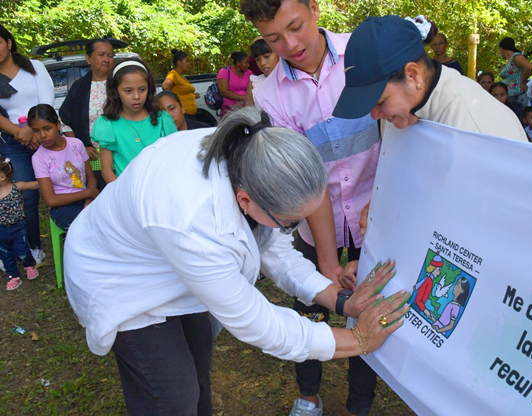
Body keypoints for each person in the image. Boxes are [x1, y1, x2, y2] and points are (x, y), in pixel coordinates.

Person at [63, 106, 409, 416]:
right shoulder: (193, 219)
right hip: (120, 278)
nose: (293, 229)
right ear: (245, 198)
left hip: (166, 259)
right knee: (171, 397)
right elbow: (256, 322)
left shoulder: (252, 157)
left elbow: (272, 247)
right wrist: (356, 341)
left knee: (198, 369)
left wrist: (339, 300)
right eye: (291, 222)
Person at [240, 1, 395, 414]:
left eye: (296, 27)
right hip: (314, 222)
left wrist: (380, 209)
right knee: (314, 307)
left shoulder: (364, 57)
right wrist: (327, 265)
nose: (290, 45)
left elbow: (397, 139)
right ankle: (309, 394)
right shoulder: (270, 94)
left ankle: (360, 401)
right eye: (274, 38)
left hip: (377, 218)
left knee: (368, 304)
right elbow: (309, 184)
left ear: (315, 8)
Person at [331, 15, 528, 237]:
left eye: (380, 101)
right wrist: (380, 209)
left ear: (413, 75)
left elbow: (498, 234)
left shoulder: (476, 130)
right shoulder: (402, 110)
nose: (374, 115)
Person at [0, 24, 53, 266]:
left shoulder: (34, 67)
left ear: (9, 43)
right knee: (26, 195)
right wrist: (21, 133)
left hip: (45, 135)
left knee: (62, 185)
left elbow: (47, 100)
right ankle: (31, 247)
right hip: (13, 142)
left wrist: (34, 132)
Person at [92, 58, 177, 183]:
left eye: (142, 89)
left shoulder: (162, 119)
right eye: (128, 91)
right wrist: (122, 194)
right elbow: (106, 170)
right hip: (126, 192)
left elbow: (175, 158)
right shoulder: (108, 124)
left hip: (162, 187)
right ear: (115, 91)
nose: (136, 96)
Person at [29, 104, 99, 230]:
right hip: (62, 208)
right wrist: (88, 193)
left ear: (58, 125)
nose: (42, 135)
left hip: (85, 199)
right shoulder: (39, 158)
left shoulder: (76, 144)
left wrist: (88, 200)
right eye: (36, 131)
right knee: (91, 224)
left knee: (110, 216)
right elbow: (51, 200)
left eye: (47, 128)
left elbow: (90, 177)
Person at [59, 38, 115, 191]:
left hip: (119, 152)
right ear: (88, 58)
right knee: (98, 194)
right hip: (92, 156)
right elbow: (63, 120)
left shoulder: (120, 84)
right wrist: (80, 145)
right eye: (101, 55)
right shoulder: (79, 87)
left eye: (110, 56)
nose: (106, 60)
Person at [0, 157, 39, 290]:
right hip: (1, 230)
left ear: (2, 176)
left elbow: (35, 184)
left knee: (22, 249)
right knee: (5, 254)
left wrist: (49, 179)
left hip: (18, 226)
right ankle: (13, 275)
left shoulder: (17, 186)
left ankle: (29, 265)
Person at [498, 37, 532, 114]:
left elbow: (529, 67)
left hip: (517, 97)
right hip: (510, 97)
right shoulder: (510, 60)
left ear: (501, 49)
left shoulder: (516, 57)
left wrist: (523, 82)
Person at [161, 49, 200, 118]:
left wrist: (191, 96)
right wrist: (176, 99)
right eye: (187, 61)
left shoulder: (182, 77)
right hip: (184, 115)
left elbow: (181, 92)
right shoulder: (173, 74)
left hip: (190, 115)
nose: (189, 64)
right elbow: (165, 86)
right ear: (179, 62)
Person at [245, 37, 280, 107]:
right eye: (258, 59)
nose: (262, 63)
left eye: (267, 56)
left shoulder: (290, 79)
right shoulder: (254, 83)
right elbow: (249, 112)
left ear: (278, 54)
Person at [217, 51, 252, 119]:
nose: (248, 65)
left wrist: (244, 101)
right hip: (229, 109)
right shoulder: (225, 71)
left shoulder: (249, 73)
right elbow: (224, 92)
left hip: (246, 109)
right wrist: (244, 98)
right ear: (238, 63)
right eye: (246, 62)